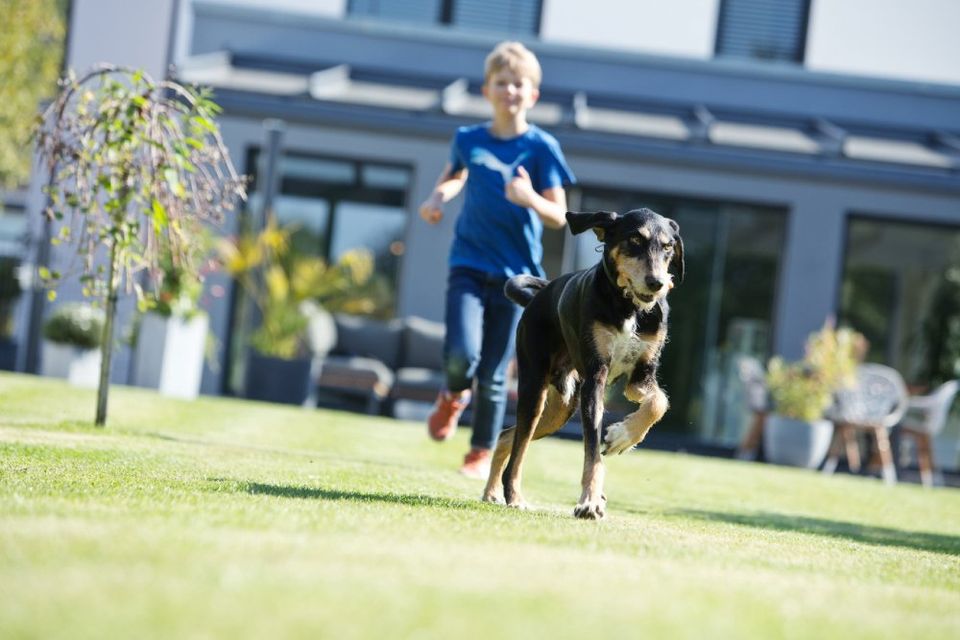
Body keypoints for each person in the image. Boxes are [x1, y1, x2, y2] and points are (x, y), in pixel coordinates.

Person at [419, 41, 576, 479]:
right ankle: (452, 395)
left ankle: (479, 453)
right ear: (487, 90)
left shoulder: (542, 147)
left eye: (518, 84)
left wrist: (528, 198)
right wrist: (436, 197)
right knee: (460, 356)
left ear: (532, 94)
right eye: (501, 83)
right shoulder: (468, 139)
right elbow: (453, 177)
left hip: (518, 279)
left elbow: (560, 216)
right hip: (467, 265)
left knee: (492, 372)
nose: (509, 90)